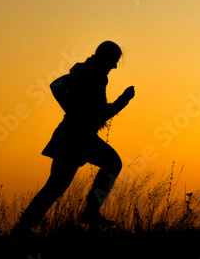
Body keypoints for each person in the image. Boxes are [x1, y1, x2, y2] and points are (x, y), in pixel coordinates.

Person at [13, 41, 134, 234]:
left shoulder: (93, 73)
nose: (115, 66)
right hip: (76, 137)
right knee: (111, 164)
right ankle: (90, 211)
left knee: (55, 186)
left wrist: (121, 102)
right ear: (106, 57)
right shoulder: (89, 72)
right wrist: (72, 109)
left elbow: (97, 114)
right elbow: (57, 86)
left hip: (75, 136)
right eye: (114, 60)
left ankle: (22, 227)